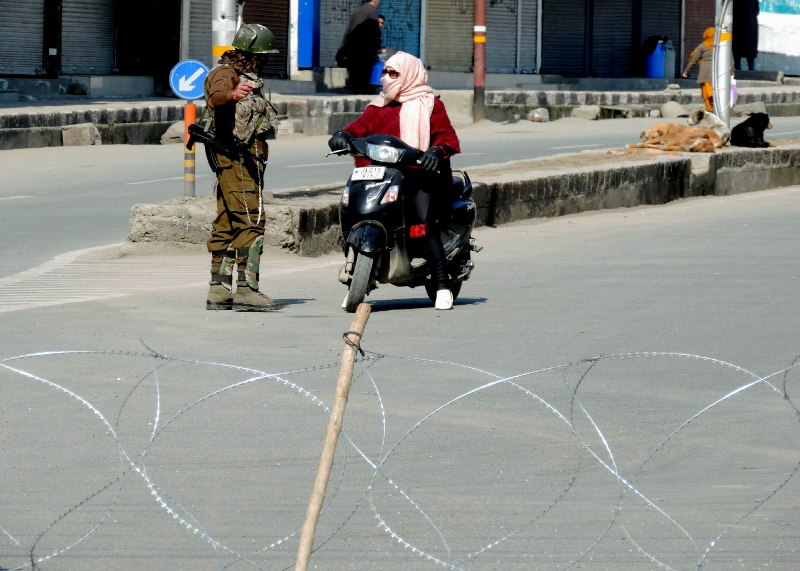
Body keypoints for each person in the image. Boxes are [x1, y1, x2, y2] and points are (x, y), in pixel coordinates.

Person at [327, 51, 461, 310]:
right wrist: (342, 135)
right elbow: (358, 128)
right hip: (386, 176)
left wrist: (436, 151)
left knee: (422, 224)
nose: (386, 78)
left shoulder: (430, 104)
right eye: (385, 72)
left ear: (409, 74)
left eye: (394, 73)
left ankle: (443, 284)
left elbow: (449, 138)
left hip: (422, 176)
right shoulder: (380, 106)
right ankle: (357, 280)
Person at [203, 23, 283, 311]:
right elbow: (216, 97)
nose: (266, 60)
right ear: (254, 54)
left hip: (242, 161)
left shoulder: (246, 76)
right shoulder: (226, 74)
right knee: (251, 219)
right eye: (264, 56)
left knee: (226, 221)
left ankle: (219, 288)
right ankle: (248, 289)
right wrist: (233, 95)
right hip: (236, 159)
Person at [338, 0, 382, 95]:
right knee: (364, 81)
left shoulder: (357, 11)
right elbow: (374, 32)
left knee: (355, 81)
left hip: (352, 51)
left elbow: (348, 31)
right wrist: (378, 47)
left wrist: (343, 48)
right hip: (365, 52)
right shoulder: (372, 11)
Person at [682, 27, 715, 112]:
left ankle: (709, 107)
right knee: (714, 89)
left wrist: (686, 71)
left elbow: (694, 60)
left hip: (705, 72)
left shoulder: (702, 46)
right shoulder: (719, 46)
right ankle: (714, 106)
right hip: (716, 71)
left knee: (705, 91)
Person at [733, 0, 759, 71]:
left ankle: (738, 67)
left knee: (737, 47)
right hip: (750, 25)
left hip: (737, 25)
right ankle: (751, 68)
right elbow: (757, 11)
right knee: (750, 47)